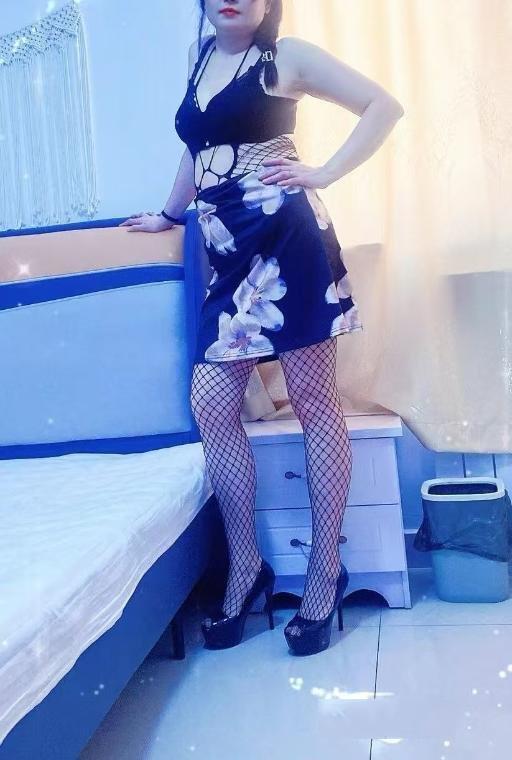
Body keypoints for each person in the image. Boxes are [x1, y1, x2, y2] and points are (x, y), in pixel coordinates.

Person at [120, 0, 404, 656]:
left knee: (312, 402)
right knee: (212, 404)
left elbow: (382, 106)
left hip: (286, 237)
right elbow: (197, 149)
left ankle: (324, 574)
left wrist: (323, 172)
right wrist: (169, 214)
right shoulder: (199, 59)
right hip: (227, 247)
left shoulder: (286, 55)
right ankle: (246, 568)